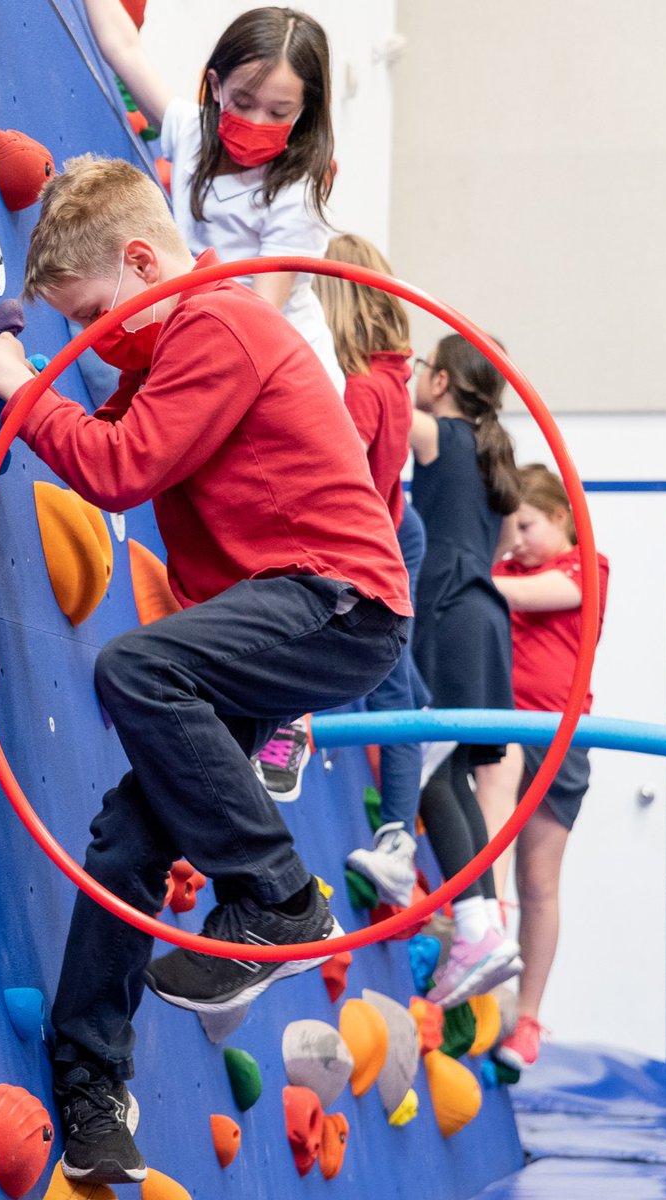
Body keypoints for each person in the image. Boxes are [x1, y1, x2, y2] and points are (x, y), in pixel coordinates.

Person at [0, 155, 410, 1186]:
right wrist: (25, 386)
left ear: (146, 262)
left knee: (134, 668)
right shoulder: (162, 362)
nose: (85, 340)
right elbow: (106, 433)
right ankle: (90, 1083)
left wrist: (22, 391)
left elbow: (116, 469)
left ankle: (282, 902)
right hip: (266, 621)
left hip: (335, 599)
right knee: (127, 838)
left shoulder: (215, 324)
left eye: (90, 313)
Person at [81, 0, 345, 394]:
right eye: (243, 102)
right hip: (214, 333)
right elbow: (124, 49)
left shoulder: (295, 195)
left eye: (279, 112)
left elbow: (263, 318)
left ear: (304, 111)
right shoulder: (193, 133)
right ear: (216, 86)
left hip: (277, 366)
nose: (257, 121)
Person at [307, 232, 429, 904]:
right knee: (398, 687)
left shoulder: (362, 389)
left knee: (388, 689)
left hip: (380, 538)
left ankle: (398, 844)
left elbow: (335, 475)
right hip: (396, 524)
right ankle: (400, 835)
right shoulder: (392, 377)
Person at [409, 334, 522, 1007]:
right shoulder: (494, 457)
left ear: (443, 380)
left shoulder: (439, 435)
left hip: (447, 612)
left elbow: (380, 410)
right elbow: (503, 543)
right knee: (453, 771)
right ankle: (487, 923)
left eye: (423, 367)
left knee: (429, 768)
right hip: (485, 617)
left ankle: (477, 925)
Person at [486, 464, 610, 1070]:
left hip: (561, 740)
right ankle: (486, 946)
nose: (515, 541)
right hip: (508, 731)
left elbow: (543, 597)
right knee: (494, 849)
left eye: (526, 526)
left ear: (561, 517)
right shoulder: (505, 569)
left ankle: (529, 1018)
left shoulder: (587, 565)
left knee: (541, 883)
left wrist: (469, 581)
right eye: (509, 530)